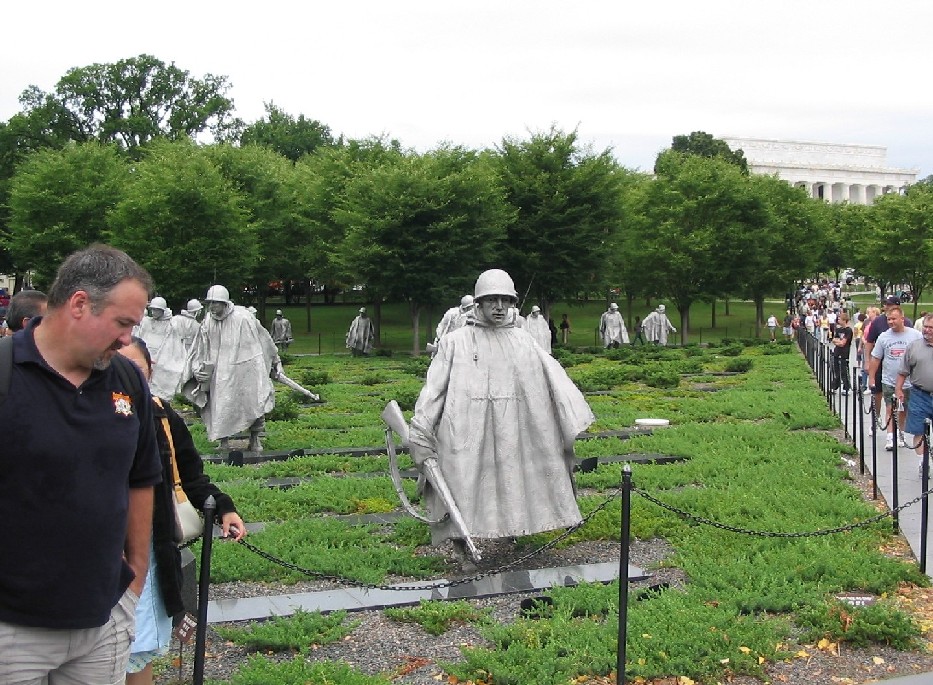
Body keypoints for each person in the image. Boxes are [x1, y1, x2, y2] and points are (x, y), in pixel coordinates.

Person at [0, 244, 162, 683]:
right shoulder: (6, 372)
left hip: (103, 619)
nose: (128, 339)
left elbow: (142, 476)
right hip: (13, 629)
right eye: (122, 322)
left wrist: (136, 576)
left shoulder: (126, 379)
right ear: (78, 304)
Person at [408, 269, 595, 567]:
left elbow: (551, 381)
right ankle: (461, 543)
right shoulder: (455, 342)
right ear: (479, 303)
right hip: (465, 427)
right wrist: (421, 426)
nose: (498, 307)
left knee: (512, 479)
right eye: (491, 300)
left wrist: (565, 418)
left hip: (513, 427)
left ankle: (511, 529)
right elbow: (434, 389)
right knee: (462, 482)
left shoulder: (522, 340)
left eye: (504, 300)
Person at [119, 338, 246, 685]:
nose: (126, 374)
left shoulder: (160, 414)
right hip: (96, 548)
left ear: (150, 368)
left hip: (148, 547)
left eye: (134, 366)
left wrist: (222, 508)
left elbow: (189, 474)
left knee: (140, 641)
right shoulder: (84, 409)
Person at [183, 284, 280, 453]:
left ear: (225, 303)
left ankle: (255, 438)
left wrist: (274, 361)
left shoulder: (244, 318)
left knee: (253, 402)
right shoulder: (207, 321)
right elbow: (200, 347)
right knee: (220, 404)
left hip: (245, 368)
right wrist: (198, 367)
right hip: (219, 371)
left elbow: (263, 339)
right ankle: (223, 440)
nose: (212, 307)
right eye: (209, 303)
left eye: (215, 303)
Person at [869, 306, 922, 451]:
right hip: (889, 380)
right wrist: (872, 377)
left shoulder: (915, 336)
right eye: (888, 319)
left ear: (902, 319)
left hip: (910, 382)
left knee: (903, 409)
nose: (890, 322)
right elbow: (876, 358)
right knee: (890, 408)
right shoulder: (884, 337)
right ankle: (890, 437)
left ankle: (900, 433)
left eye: (893, 319)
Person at [895, 313, 933, 476]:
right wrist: (898, 390)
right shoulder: (914, 346)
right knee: (918, 430)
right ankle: (923, 463)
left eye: (931, 328)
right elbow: (903, 371)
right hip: (919, 394)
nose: (927, 330)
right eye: (926, 326)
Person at [830, 311, 853, 394]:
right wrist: (838, 342)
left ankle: (846, 388)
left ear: (844, 320)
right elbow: (834, 339)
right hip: (837, 352)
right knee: (835, 370)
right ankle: (835, 386)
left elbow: (843, 343)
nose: (838, 320)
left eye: (840, 319)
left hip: (844, 353)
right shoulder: (839, 329)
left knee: (844, 370)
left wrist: (839, 342)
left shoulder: (848, 330)